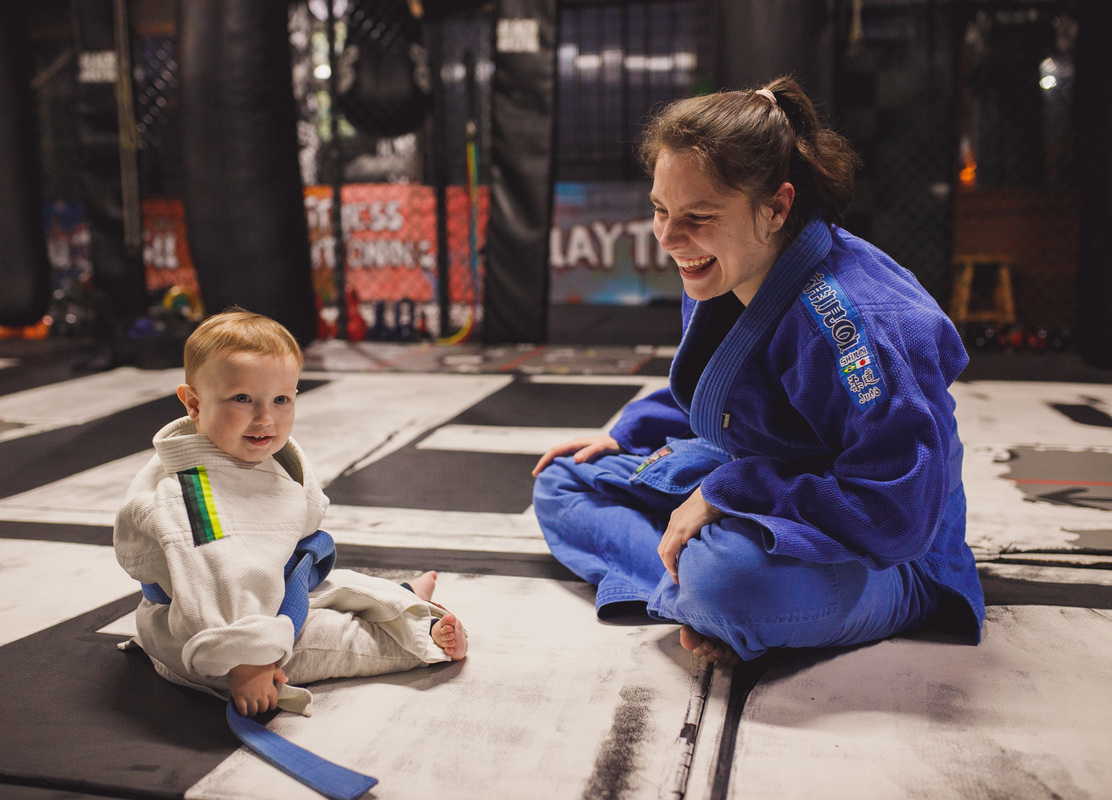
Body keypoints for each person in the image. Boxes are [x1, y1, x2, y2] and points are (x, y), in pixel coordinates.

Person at [532, 77, 984, 666]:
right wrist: (627, 435)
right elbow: (720, 386)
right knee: (562, 479)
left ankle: (710, 595)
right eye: (660, 209)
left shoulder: (858, 328)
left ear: (777, 207)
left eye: (697, 215)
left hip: (884, 551)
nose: (668, 238)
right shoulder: (729, 261)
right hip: (773, 479)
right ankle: (696, 596)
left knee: (731, 581)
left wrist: (729, 492)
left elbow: (898, 514)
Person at [115, 308, 467, 717]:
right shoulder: (195, 496)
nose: (266, 417)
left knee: (342, 585)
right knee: (328, 639)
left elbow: (288, 538)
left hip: (265, 590)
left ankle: (399, 598)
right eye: (242, 399)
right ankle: (416, 642)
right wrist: (250, 663)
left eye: (281, 399)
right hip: (212, 633)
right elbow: (217, 579)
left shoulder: (263, 453)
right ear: (194, 404)